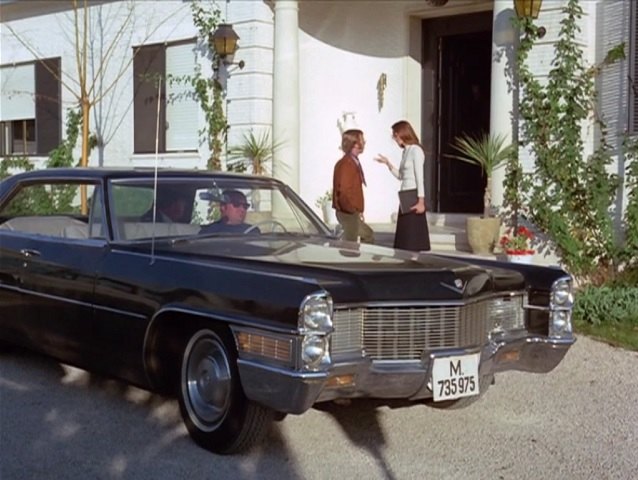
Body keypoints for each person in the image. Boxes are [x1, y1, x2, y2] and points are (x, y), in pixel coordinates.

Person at [375, 120, 431, 251]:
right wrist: (388, 164)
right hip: (404, 196)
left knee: (412, 237)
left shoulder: (416, 150)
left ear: (402, 134)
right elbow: (401, 176)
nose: (394, 139)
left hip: (413, 196)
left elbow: (419, 177)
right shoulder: (406, 151)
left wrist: (421, 201)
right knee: (404, 237)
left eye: (395, 135)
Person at [332, 129, 374, 244]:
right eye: (362, 140)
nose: (364, 142)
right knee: (350, 246)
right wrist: (352, 210)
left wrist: (358, 211)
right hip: (347, 213)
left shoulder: (353, 161)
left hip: (352, 213)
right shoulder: (346, 164)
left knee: (367, 235)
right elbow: (344, 191)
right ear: (355, 143)